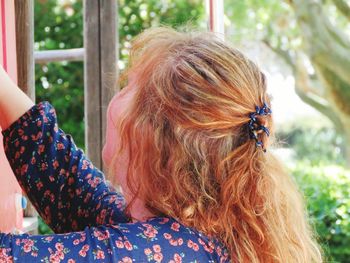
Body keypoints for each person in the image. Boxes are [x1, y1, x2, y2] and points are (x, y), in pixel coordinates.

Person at [0, 27, 322, 262]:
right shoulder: (190, 239)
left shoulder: (156, 254)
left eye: (130, 87)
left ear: (152, 135)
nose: (117, 94)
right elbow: (66, 182)